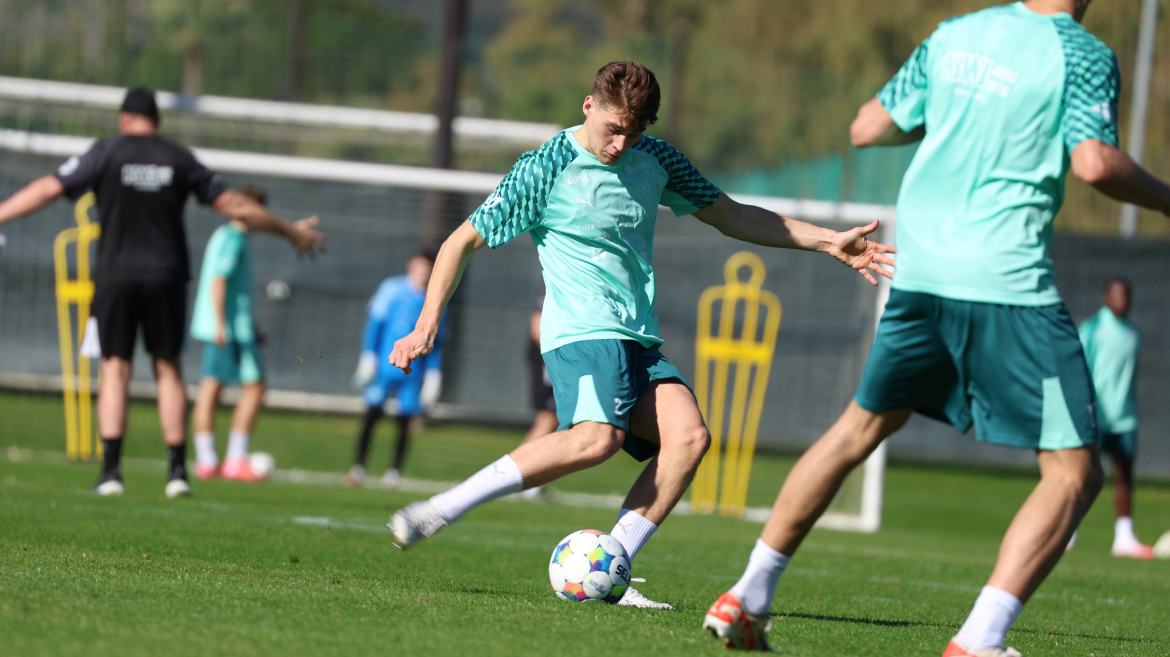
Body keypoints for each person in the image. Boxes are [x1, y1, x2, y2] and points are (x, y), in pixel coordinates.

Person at [700, 1, 1170, 654]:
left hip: (920, 271)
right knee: (1075, 472)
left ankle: (747, 595)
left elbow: (867, 127)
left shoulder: (956, 34)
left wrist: (965, 114)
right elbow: (1094, 163)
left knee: (857, 430)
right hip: (1006, 282)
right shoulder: (1082, 52)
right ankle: (980, 639)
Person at [386, 60, 895, 610]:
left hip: (637, 337)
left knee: (689, 439)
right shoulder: (545, 168)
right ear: (589, 106)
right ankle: (439, 509)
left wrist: (827, 241)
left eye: (633, 132)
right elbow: (459, 242)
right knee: (597, 438)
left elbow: (733, 216)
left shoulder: (658, 159)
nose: (620, 144)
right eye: (612, 129)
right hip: (581, 330)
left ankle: (614, 567)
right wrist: (425, 323)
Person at [0, 88, 327, 499]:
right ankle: (176, 473)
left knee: (115, 369)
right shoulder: (178, 157)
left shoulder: (106, 152)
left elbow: (48, 189)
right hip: (165, 278)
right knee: (168, 371)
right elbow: (236, 206)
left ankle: (111, 473)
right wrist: (289, 230)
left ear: (124, 119)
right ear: (157, 121)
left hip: (115, 277)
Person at [190, 185, 302, 483]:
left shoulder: (232, 237)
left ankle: (223, 460)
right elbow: (218, 281)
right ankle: (215, 461)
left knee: (248, 387)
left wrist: (249, 327)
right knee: (218, 387)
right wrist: (219, 324)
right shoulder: (232, 238)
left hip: (237, 328)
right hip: (226, 329)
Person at [346, 250, 444, 490]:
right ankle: (358, 468)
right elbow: (375, 324)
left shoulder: (436, 298)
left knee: (404, 421)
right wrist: (368, 358)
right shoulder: (392, 289)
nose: (423, 272)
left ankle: (394, 472)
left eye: (428, 268)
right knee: (372, 414)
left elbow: (437, 340)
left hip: (413, 372)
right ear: (411, 266)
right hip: (384, 367)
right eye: (420, 266)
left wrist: (433, 375)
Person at [1071, 278, 1153, 559]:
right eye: (1117, 294)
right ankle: (1068, 533)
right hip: (1095, 416)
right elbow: (1079, 369)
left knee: (1124, 476)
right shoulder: (1092, 329)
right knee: (1081, 474)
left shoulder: (1134, 334)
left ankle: (1124, 538)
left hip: (1124, 418)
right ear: (1105, 297)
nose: (1122, 299)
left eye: (1126, 295)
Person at [520, 282, 559, 500]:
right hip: (550, 357)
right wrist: (554, 359)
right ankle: (523, 477)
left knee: (556, 419)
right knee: (548, 417)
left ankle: (528, 478)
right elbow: (537, 323)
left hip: (560, 356)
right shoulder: (553, 279)